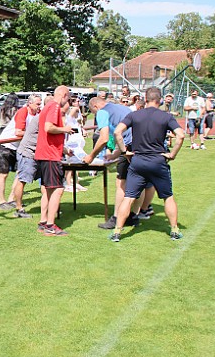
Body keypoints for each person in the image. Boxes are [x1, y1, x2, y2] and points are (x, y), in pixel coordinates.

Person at [110, 87, 185, 242]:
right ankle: (175, 230)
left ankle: (117, 232)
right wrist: (172, 154)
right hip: (158, 161)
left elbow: (117, 132)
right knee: (168, 197)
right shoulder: (166, 116)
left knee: (128, 197)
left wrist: (124, 151)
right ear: (160, 99)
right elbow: (181, 135)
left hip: (138, 161)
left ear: (146, 98)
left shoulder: (134, 114)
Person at [83, 95, 143, 229]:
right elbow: (122, 131)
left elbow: (104, 138)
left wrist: (91, 156)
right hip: (142, 145)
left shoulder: (102, 112)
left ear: (95, 107)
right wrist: (116, 153)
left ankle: (116, 218)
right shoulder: (122, 108)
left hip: (129, 147)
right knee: (140, 181)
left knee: (121, 182)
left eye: (93, 113)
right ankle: (134, 216)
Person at [33, 86, 72, 236]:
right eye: (68, 97)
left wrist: (64, 149)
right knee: (58, 189)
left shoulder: (47, 106)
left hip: (46, 154)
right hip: (50, 156)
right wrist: (65, 129)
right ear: (63, 95)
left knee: (48, 189)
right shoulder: (54, 106)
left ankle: (43, 222)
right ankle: (50, 225)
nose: (67, 100)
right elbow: (48, 128)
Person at [12, 94, 42, 218]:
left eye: (40, 104)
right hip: (21, 150)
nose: (39, 107)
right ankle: (18, 208)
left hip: (34, 152)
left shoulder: (37, 115)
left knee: (23, 177)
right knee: (22, 179)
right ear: (29, 103)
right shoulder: (23, 112)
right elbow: (18, 131)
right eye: (37, 104)